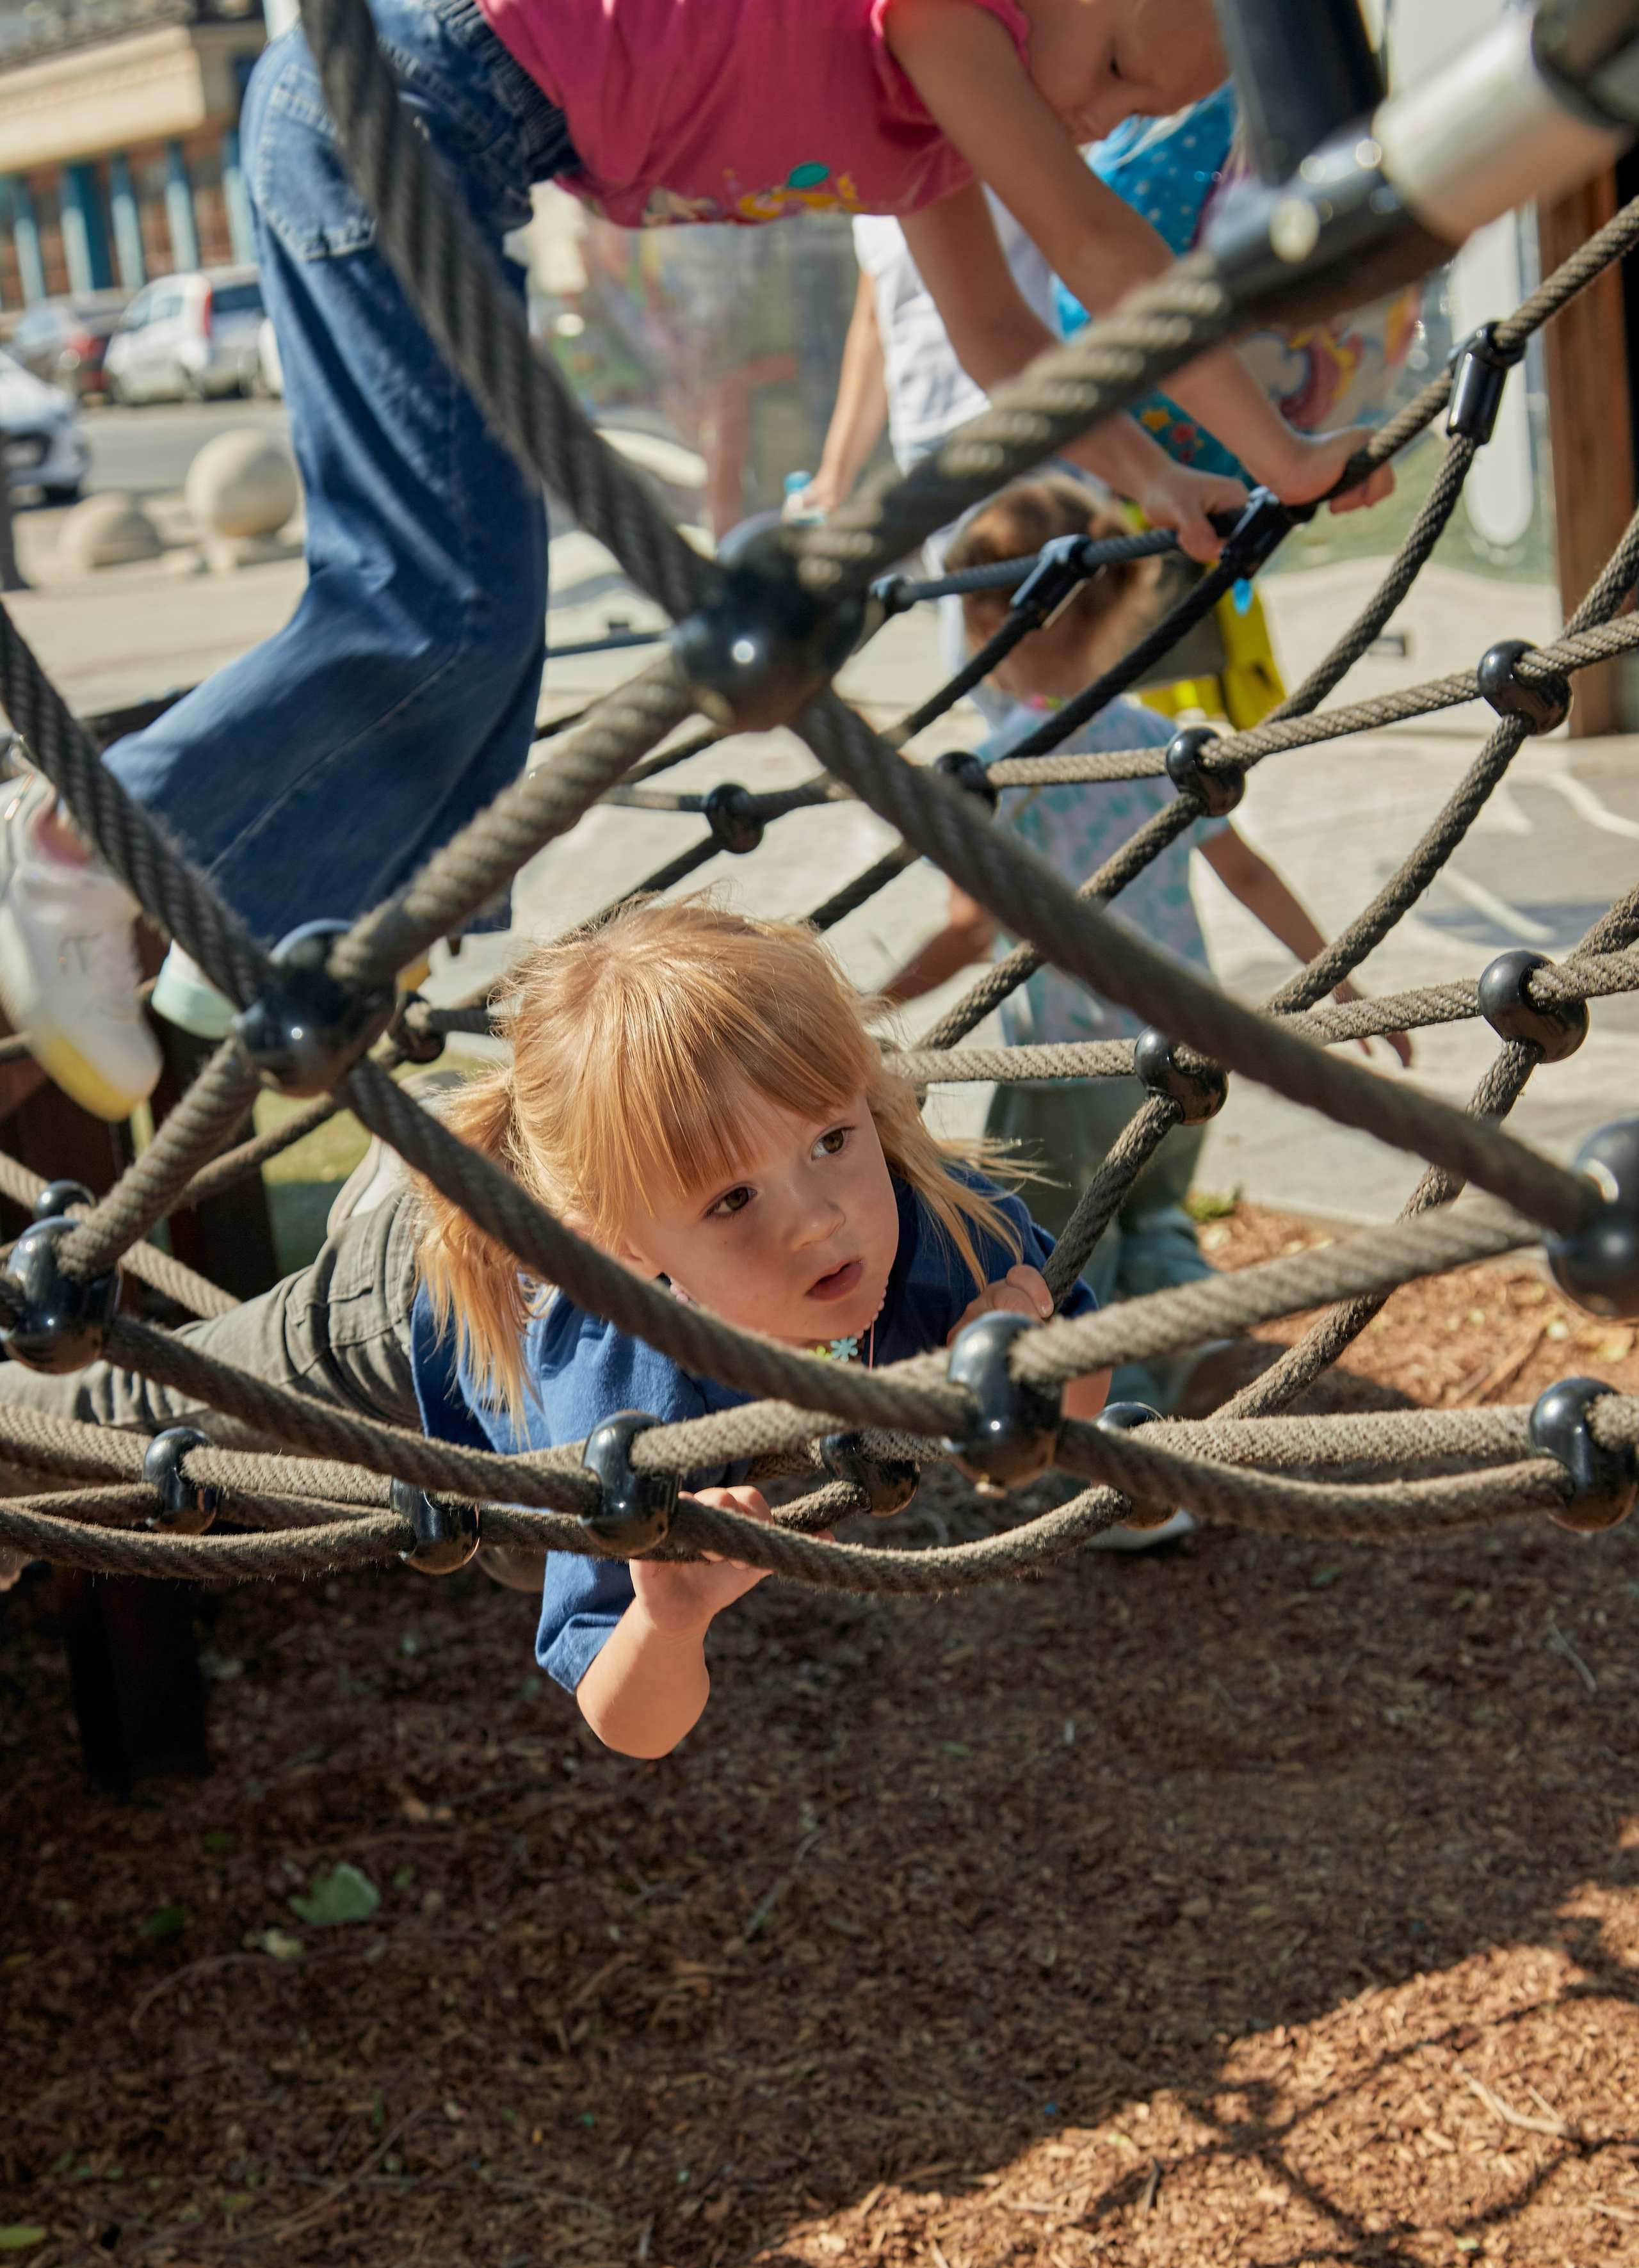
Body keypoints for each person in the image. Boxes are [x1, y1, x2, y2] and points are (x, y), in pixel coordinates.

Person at [0, 0, 1393, 1126]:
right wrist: (1281, 451)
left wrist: (1158, 479)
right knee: (440, 613)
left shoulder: (934, 135)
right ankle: (78, 843)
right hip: (399, 100)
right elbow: (1096, 245)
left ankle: (236, 918)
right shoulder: (948, 15)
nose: (1094, 117)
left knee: (483, 650)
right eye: (1108, 66)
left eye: (1140, 113)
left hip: (440, 142)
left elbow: (1006, 341)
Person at [0, 899, 1110, 1758]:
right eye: (732, 1202)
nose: (817, 1222)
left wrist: (1028, 1348)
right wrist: (665, 1623)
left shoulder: (934, 1220)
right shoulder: (625, 1394)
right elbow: (632, 1721)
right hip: (405, 1322)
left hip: (542, 1445)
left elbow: (1075, 1416)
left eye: (830, 1138)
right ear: (623, 1251)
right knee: (143, 1427)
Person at [882, 476, 1411, 1412]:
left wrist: (869, 1006)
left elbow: (968, 931)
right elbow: (1244, 871)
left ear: (986, 630)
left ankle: (1120, 1443)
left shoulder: (1003, 772)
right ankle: (1181, 1334)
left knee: (1058, 1255)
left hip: (1072, 1064)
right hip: (1182, 1048)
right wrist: (1336, 975)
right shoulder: (1158, 742)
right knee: (1155, 1211)